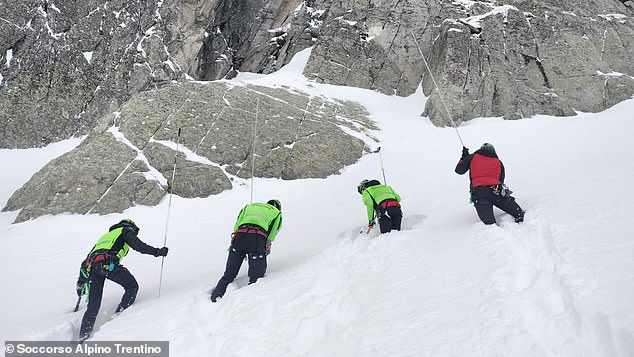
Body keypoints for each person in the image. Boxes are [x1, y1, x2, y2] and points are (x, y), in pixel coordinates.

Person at [75, 219, 168, 341]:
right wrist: (157, 252)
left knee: (93, 306)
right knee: (132, 286)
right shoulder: (126, 230)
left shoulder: (104, 237)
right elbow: (138, 245)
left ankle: (83, 336)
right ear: (132, 227)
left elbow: (85, 262)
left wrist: (81, 283)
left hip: (92, 268)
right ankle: (119, 316)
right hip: (108, 264)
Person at [210, 199, 283, 302]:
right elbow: (273, 232)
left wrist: (235, 241)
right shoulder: (277, 213)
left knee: (228, 274)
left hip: (240, 236)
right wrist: (267, 244)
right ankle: (248, 305)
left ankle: (215, 298)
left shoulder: (249, 206)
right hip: (257, 239)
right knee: (256, 278)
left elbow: (237, 224)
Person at [455, 143, 525, 225]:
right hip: (496, 191)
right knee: (519, 214)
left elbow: (459, 170)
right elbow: (501, 180)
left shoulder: (473, 157)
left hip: (479, 193)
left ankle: (494, 232)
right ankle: (521, 220)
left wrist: (464, 157)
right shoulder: (498, 162)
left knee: (489, 224)